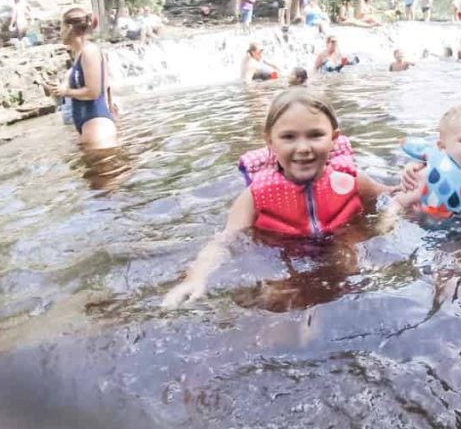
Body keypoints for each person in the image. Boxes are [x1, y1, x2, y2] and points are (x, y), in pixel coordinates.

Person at [162, 90, 392, 308]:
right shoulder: (255, 197)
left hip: (342, 249)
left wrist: (412, 186)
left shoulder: (351, 181)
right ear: (270, 142)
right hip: (284, 258)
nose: (303, 147)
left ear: (333, 138)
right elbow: (224, 241)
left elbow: (392, 195)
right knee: (274, 296)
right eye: (289, 137)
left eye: (315, 135)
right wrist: (196, 276)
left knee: (348, 263)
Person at [48, 7, 119, 149]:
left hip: (97, 122)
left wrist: (65, 92)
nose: (60, 33)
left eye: (60, 28)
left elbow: (93, 92)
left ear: (69, 27)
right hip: (88, 123)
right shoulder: (80, 54)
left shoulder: (90, 51)